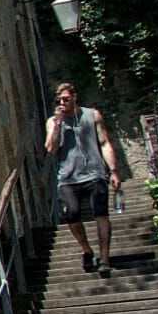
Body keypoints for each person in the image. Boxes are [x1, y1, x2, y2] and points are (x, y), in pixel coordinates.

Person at [45, 81, 123, 271]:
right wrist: (58, 124)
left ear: (74, 97)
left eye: (66, 98)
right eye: (59, 100)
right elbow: (51, 149)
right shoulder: (53, 121)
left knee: (101, 214)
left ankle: (105, 259)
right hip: (68, 177)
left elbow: (104, 142)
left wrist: (113, 170)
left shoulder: (92, 115)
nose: (63, 102)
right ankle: (86, 249)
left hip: (95, 174)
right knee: (71, 214)